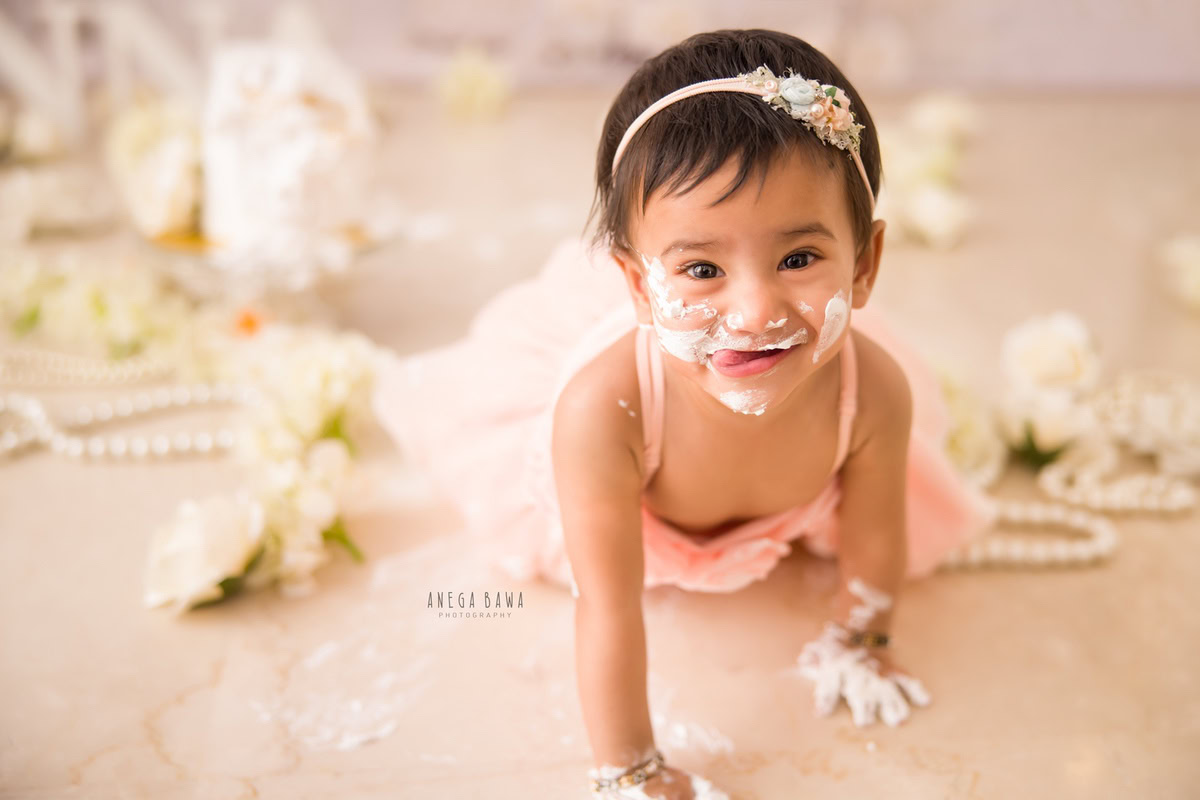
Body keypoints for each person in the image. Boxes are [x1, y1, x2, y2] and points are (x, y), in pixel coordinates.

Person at [372, 29, 994, 800]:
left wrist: (859, 640)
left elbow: (874, 534)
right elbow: (608, 608)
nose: (754, 312)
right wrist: (629, 766)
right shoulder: (605, 413)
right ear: (636, 286)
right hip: (626, 501)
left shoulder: (871, 393)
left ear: (864, 266)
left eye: (799, 259)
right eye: (701, 269)